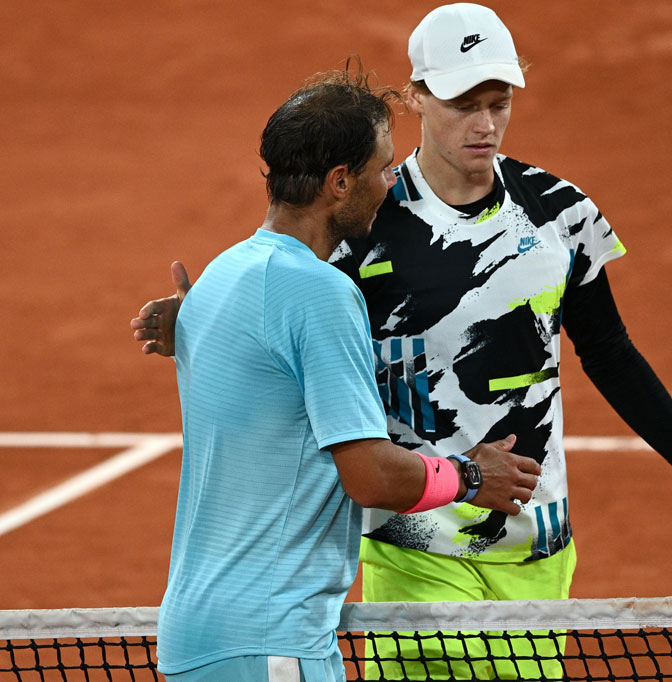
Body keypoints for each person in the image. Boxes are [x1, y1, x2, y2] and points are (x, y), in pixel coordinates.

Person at [132, 6, 672, 679]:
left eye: (499, 103)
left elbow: (609, 351)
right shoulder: (365, 217)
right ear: (417, 97)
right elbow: (285, 309)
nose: (485, 123)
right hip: (415, 545)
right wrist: (197, 320)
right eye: (465, 103)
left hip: (536, 544)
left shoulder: (559, 213)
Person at [148, 65, 542, 682]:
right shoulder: (320, 291)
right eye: (383, 169)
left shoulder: (221, 277)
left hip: (197, 637)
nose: (392, 183)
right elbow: (370, 476)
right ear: (339, 182)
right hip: (272, 639)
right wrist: (470, 476)